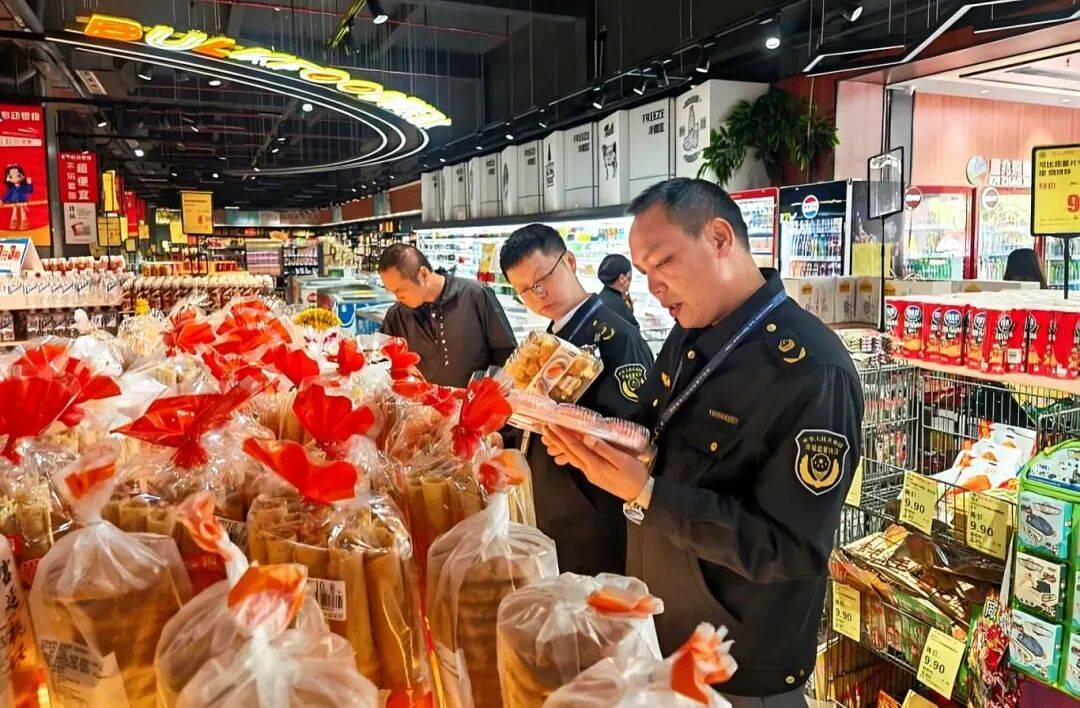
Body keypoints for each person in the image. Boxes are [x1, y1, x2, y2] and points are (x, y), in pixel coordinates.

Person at [541, 179, 864, 705]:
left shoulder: (810, 370)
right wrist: (603, 443)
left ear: (718, 238)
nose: (652, 286)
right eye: (643, 271)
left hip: (737, 668)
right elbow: (655, 431)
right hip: (665, 636)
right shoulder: (690, 331)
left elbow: (790, 548)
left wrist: (647, 493)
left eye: (663, 263)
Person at [500, 225, 654, 576]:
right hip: (554, 508)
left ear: (569, 261)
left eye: (543, 279)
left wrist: (573, 428)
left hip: (593, 516)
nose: (538, 295)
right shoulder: (550, 336)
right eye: (525, 290)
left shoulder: (618, 337)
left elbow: (635, 436)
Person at [378, 243, 517, 388]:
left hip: (479, 398)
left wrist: (494, 391)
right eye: (391, 291)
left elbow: (507, 354)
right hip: (425, 401)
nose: (397, 298)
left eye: (400, 290)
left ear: (423, 274)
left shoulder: (475, 295)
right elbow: (383, 362)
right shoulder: (397, 315)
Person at [597, 254, 639, 328]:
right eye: (629, 277)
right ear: (622, 278)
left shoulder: (599, 299)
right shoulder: (621, 308)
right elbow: (634, 332)